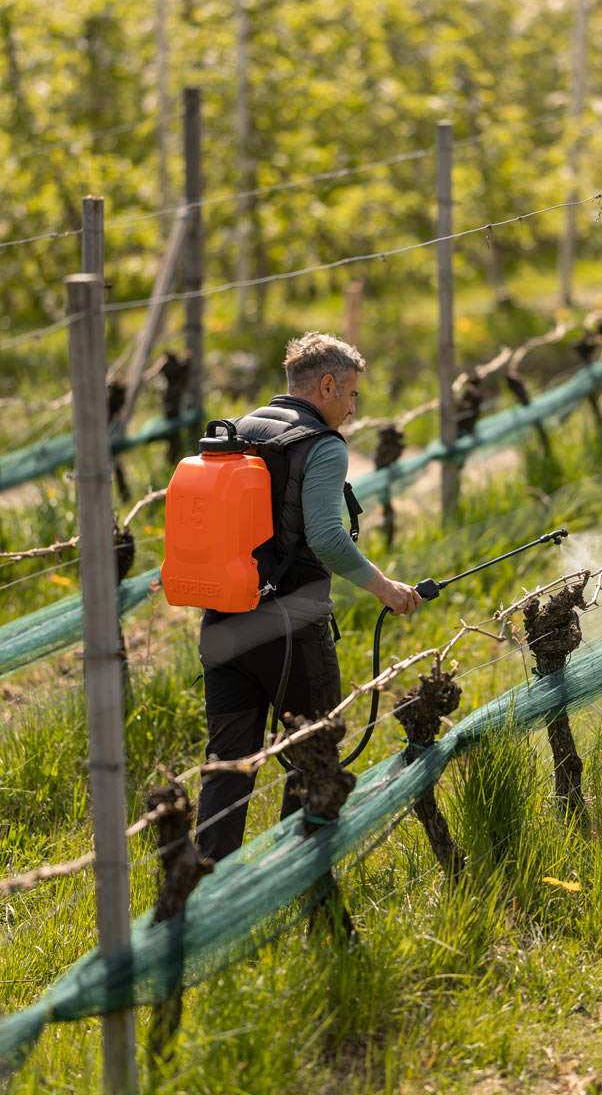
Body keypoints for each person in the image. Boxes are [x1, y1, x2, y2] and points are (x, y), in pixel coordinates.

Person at [195, 332, 422, 861]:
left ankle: (205, 890)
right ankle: (300, 879)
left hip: (224, 621)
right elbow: (325, 537)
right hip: (292, 628)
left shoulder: (238, 429)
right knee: (313, 756)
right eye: (351, 394)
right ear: (326, 386)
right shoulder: (322, 444)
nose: (353, 408)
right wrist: (385, 589)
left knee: (227, 766)